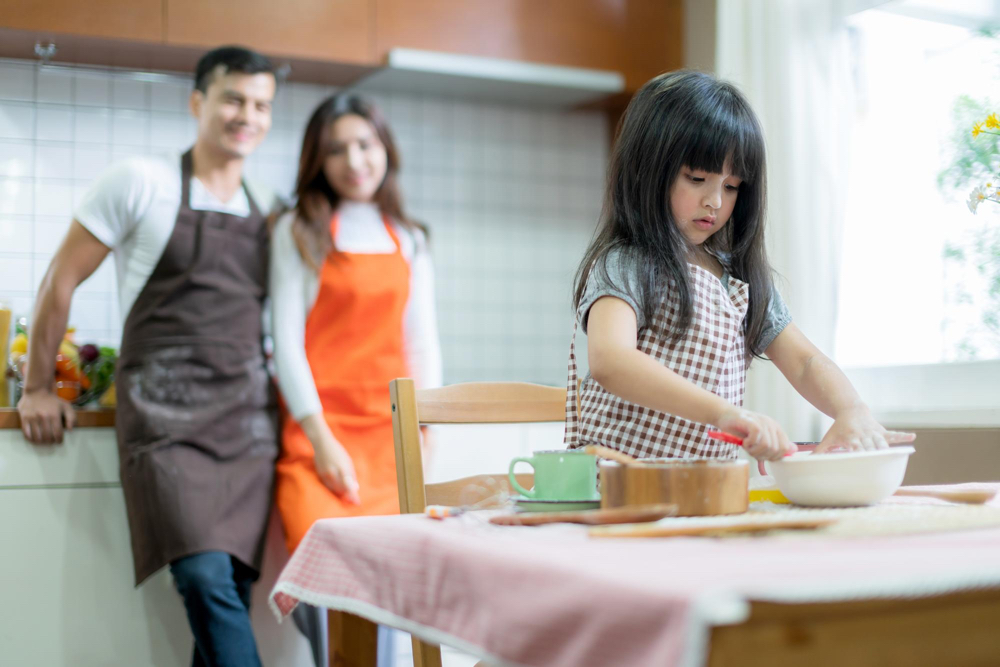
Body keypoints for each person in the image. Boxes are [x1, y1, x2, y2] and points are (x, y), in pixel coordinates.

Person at [18, 46, 279, 667]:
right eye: (234, 99)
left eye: (262, 105)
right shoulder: (142, 181)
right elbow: (60, 279)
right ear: (199, 103)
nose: (248, 115)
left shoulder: (269, 210)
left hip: (247, 424)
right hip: (163, 422)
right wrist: (37, 386)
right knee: (203, 579)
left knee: (232, 591)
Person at [564, 70, 915, 461]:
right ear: (647, 170)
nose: (715, 200)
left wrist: (852, 410)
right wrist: (725, 413)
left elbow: (804, 362)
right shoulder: (626, 262)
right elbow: (613, 362)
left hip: (705, 490)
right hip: (620, 487)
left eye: (731, 186)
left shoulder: (737, 279)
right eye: (697, 178)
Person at [269, 93, 442, 664]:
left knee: (392, 603)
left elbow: (421, 345)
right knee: (326, 595)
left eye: (365, 144)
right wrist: (321, 441)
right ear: (317, 159)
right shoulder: (297, 230)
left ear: (385, 149)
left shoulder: (409, 237)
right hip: (320, 440)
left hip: (391, 443)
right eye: (337, 149)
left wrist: (428, 436)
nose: (355, 160)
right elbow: (285, 344)